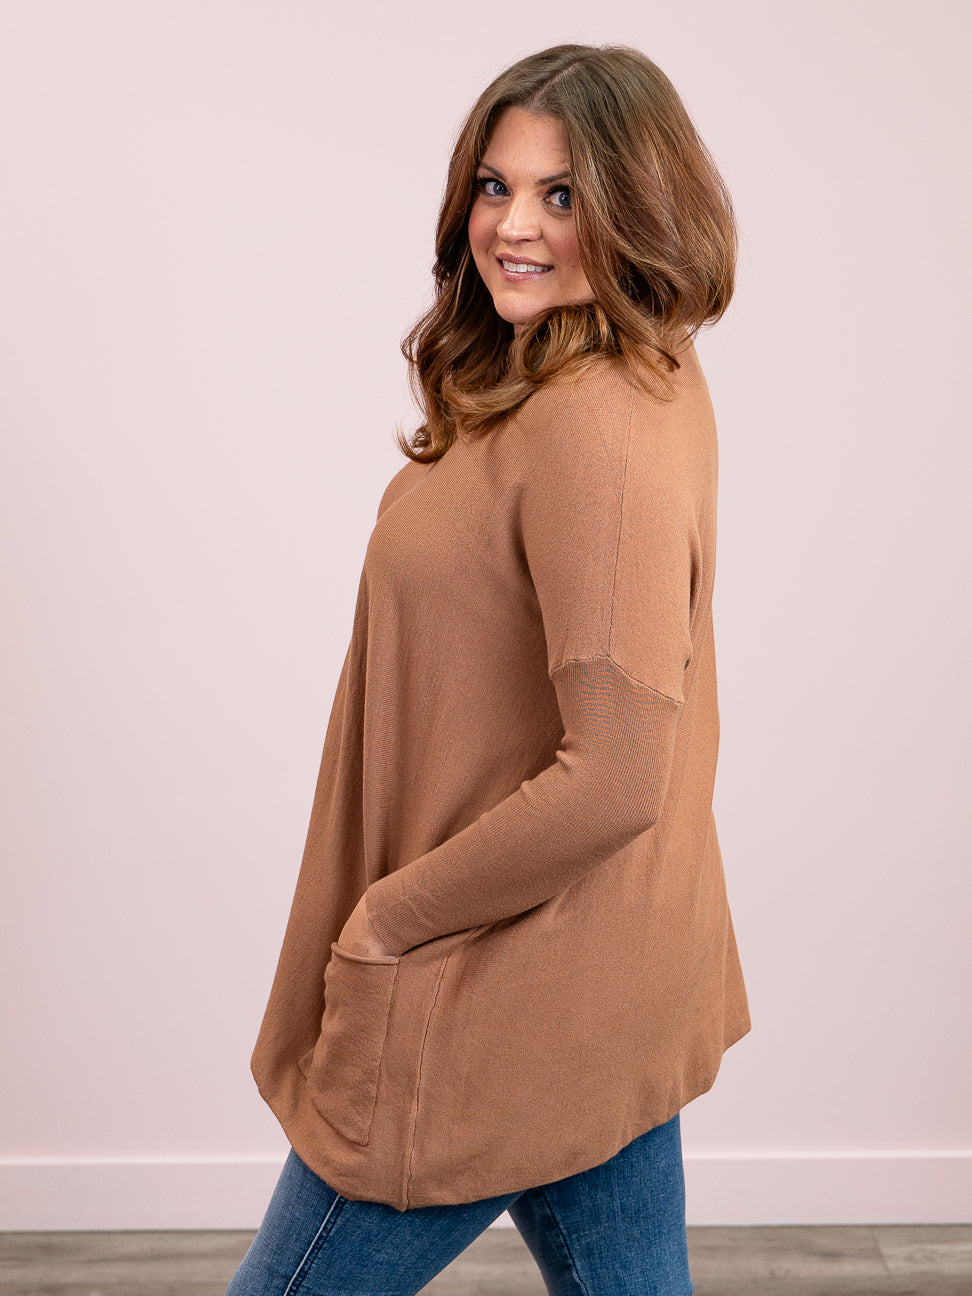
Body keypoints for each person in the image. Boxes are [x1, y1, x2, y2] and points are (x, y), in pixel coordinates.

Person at [226, 41, 751, 1296]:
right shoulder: (600, 366)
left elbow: (616, 775)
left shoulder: (597, 424)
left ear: (637, 204)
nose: (514, 226)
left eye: (562, 194)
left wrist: (388, 922)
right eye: (495, 186)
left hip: (493, 984)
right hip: (593, 973)